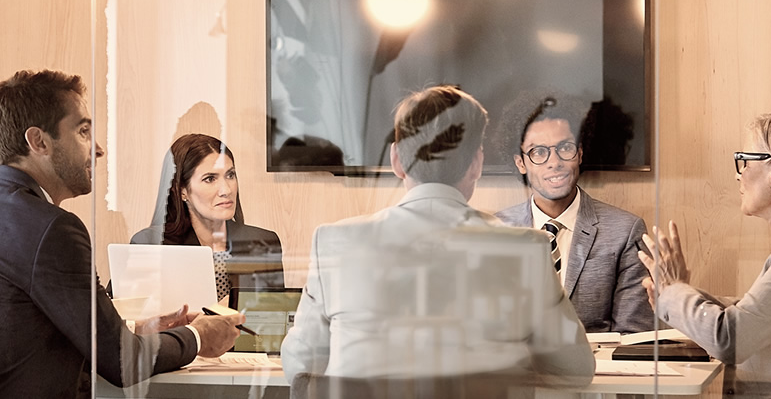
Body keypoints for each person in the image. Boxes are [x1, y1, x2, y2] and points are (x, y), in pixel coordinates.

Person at [280, 84, 595, 388]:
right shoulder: (526, 248)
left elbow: (300, 367)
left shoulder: (335, 242)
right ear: (477, 163)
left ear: (397, 161)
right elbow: (575, 369)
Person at [0, 69, 243, 398]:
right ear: (39, 141)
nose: (98, 149)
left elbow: (34, 330)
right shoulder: (51, 228)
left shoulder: (15, 214)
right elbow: (120, 360)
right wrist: (198, 336)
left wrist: (134, 329)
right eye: (84, 131)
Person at [639, 110, 771, 397]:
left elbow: (731, 338)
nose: (738, 174)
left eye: (745, 161)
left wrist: (675, 293)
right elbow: (761, 312)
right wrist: (679, 294)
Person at [494, 91, 654, 333]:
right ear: (520, 163)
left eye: (565, 148)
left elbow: (633, 339)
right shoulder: (495, 231)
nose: (554, 161)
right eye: (538, 152)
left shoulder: (625, 232)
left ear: (579, 153)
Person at [132, 133, 284, 301]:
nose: (226, 190)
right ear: (182, 190)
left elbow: (273, 318)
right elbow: (127, 318)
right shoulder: (150, 244)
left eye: (230, 175)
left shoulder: (263, 241)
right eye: (210, 179)